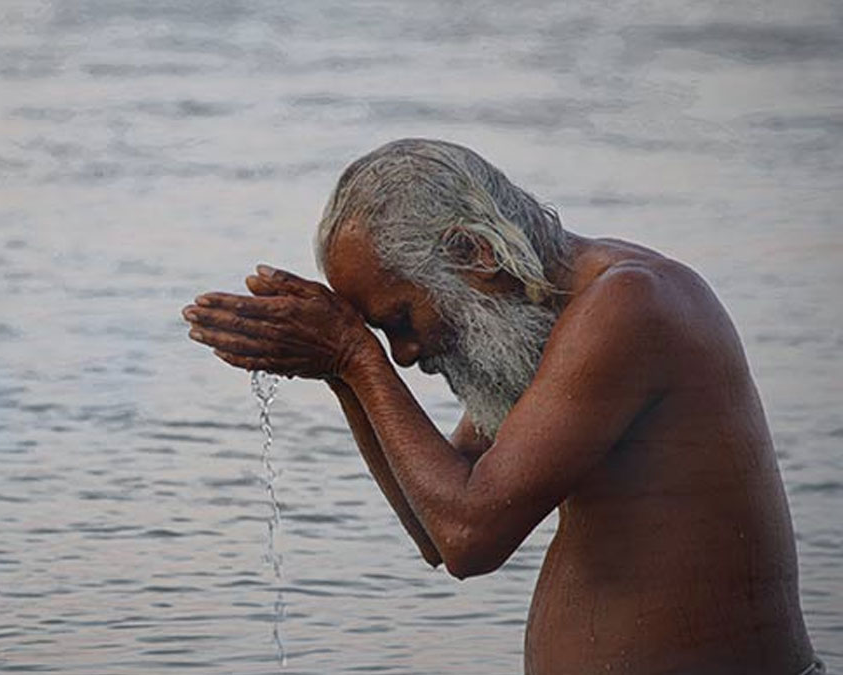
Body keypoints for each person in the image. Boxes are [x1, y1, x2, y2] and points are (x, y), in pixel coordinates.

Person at [182, 139, 820, 675]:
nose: (404, 353)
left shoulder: (629, 305)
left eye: (401, 318)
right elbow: (437, 526)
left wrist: (355, 357)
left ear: (472, 254)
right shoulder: (543, 320)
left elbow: (470, 536)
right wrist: (337, 369)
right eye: (383, 336)